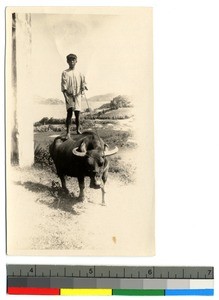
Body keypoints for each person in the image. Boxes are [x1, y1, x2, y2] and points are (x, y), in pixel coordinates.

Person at [61, 53, 87, 138]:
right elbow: (63, 86)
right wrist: (66, 97)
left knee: (77, 114)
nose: (72, 62)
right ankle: (68, 132)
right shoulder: (65, 73)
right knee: (69, 113)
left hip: (78, 95)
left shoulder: (79, 73)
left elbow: (83, 83)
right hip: (69, 96)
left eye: (73, 60)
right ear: (67, 61)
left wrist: (84, 86)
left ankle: (78, 130)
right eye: (70, 60)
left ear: (76, 61)